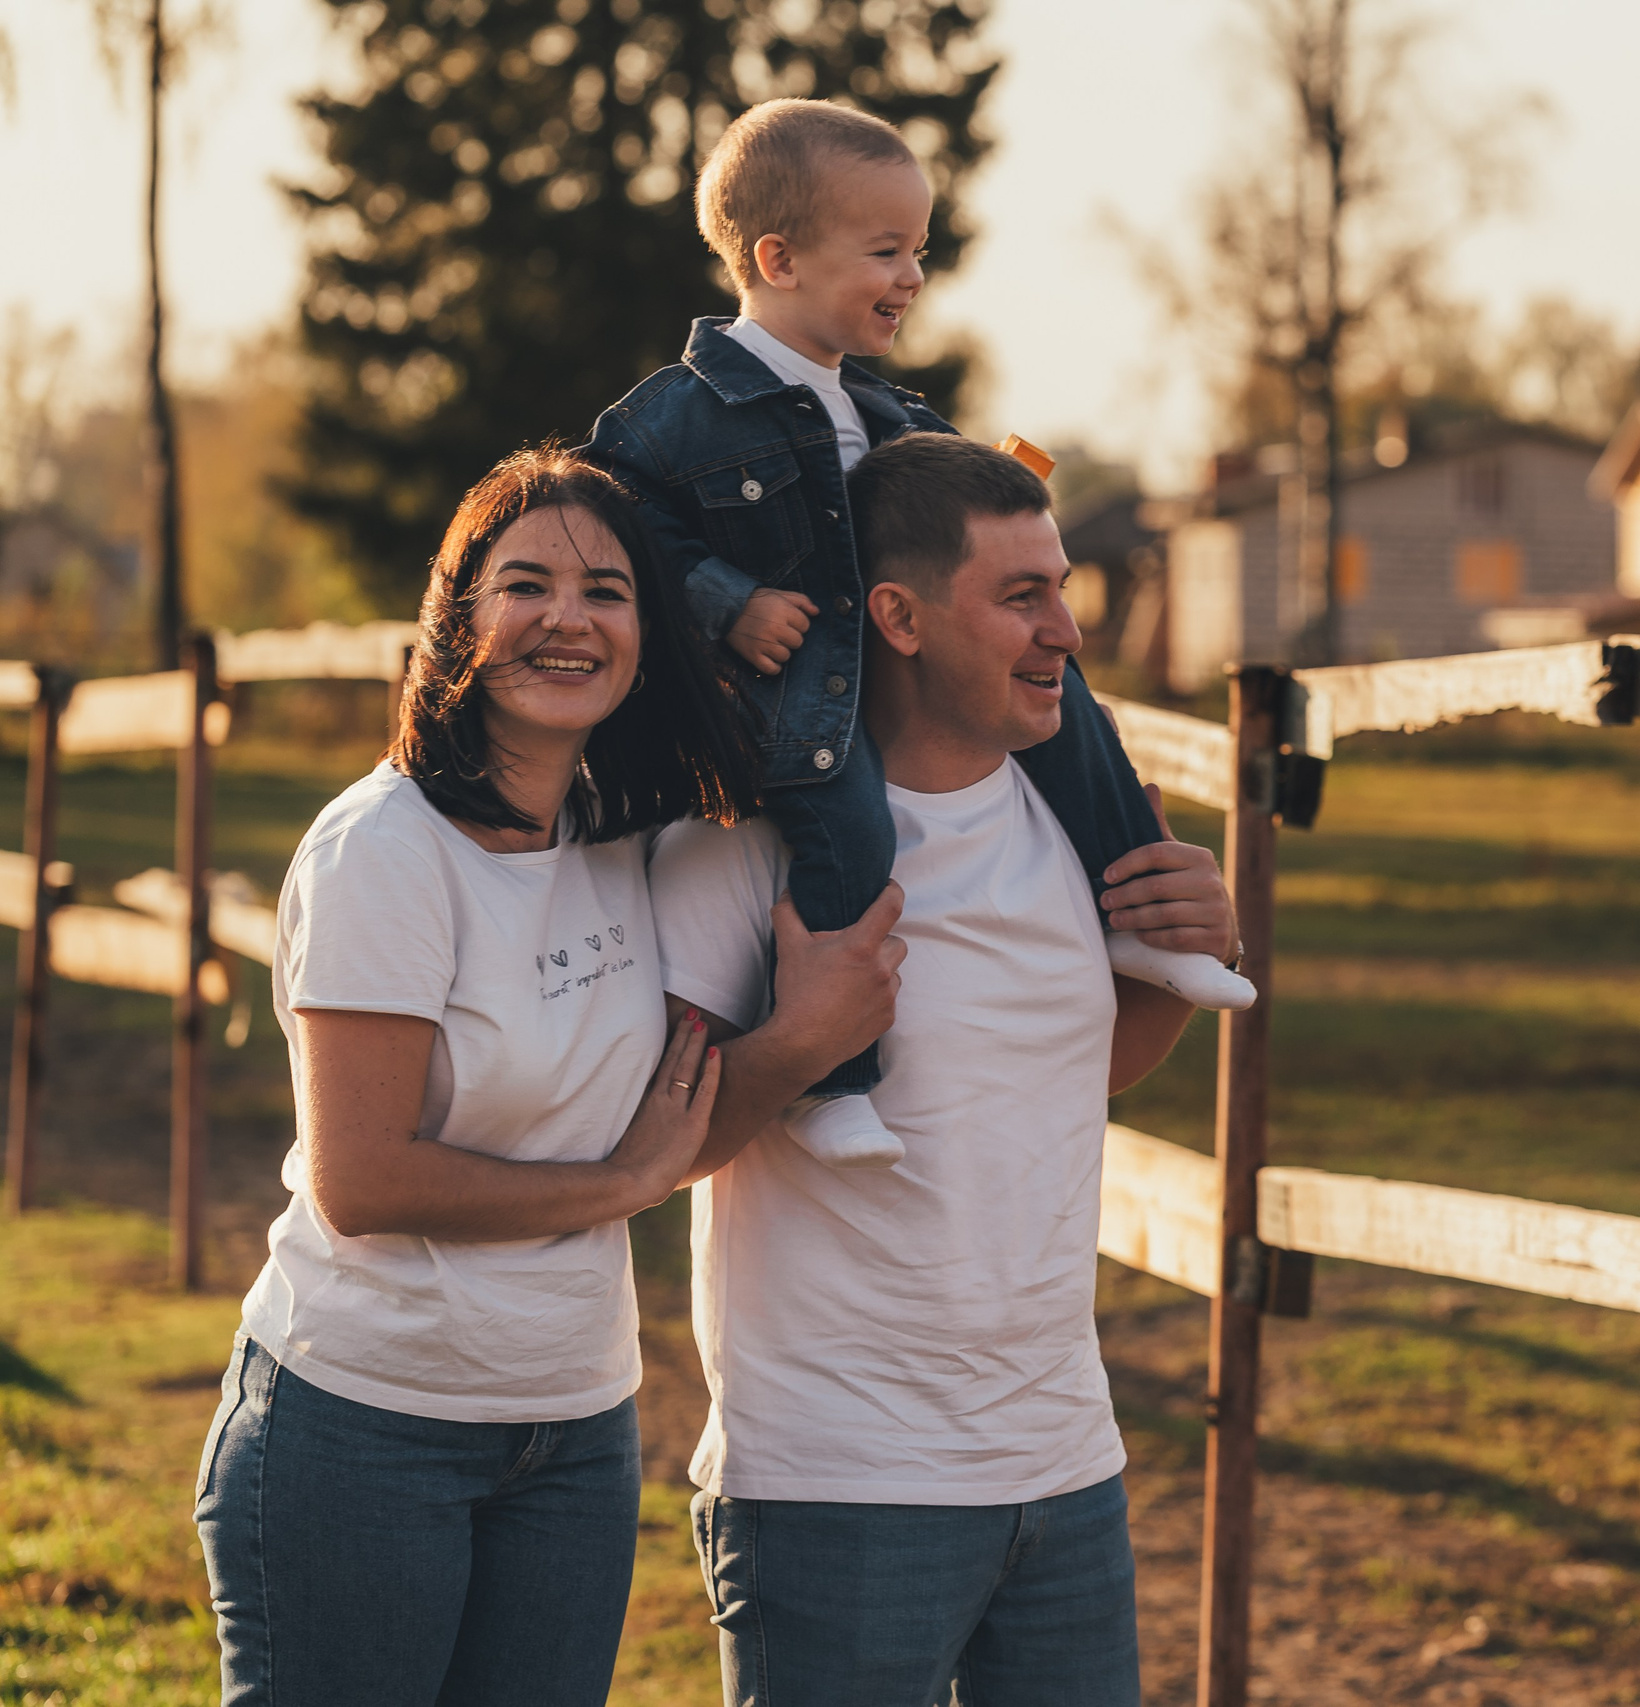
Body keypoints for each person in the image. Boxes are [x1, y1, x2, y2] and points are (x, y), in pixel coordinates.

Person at [192, 449, 907, 1706]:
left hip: (574, 1428)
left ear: (647, 636)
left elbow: (668, 1129)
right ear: (457, 619)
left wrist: (798, 1039)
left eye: (609, 591)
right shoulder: (384, 851)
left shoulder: (626, 842)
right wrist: (618, 1184)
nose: (569, 617)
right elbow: (364, 1181)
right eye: (525, 584)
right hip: (363, 1422)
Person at [649, 433, 1239, 1705]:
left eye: (1062, 587)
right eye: (1021, 596)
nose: (1066, 632)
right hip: (836, 1485)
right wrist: (805, 1038)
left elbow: (1073, 1073)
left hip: (1064, 1465)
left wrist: (1181, 957)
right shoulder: (746, 851)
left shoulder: (1074, 823)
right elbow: (656, 1155)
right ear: (899, 618)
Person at [585, 96, 1250, 1175]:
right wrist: (726, 600)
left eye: (919, 251)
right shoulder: (678, 415)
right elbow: (611, 522)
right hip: (800, 707)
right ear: (778, 258)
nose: (912, 278)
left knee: (1074, 706)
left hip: (899, 693)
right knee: (850, 832)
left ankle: (1143, 916)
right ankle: (838, 1080)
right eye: (886, 251)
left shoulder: (895, 420)